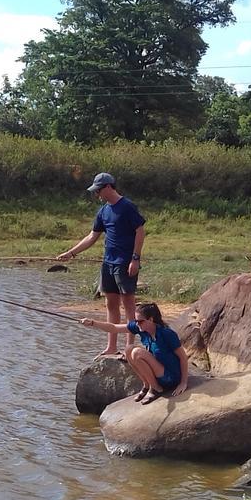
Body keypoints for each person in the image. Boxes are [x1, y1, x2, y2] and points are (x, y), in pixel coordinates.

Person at [57, 172, 146, 356]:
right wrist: (71, 253)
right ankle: (111, 346)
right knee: (111, 304)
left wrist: (135, 259)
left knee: (128, 304)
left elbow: (140, 231)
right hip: (108, 263)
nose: (97, 195)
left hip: (125, 263)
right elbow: (92, 236)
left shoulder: (127, 206)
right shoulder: (103, 211)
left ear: (108, 187)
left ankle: (129, 347)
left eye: (98, 191)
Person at [80, 302, 188, 405]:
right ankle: (147, 385)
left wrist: (183, 382)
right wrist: (93, 323)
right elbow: (113, 328)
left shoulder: (167, 334)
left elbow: (183, 358)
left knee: (137, 352)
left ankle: (156, 389)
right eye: (136, 321)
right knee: (129, 349)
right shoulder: (140, 328)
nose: (137, 324)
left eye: (140, 321)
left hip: (170, 377)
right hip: (158, 372)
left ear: (151, 319)